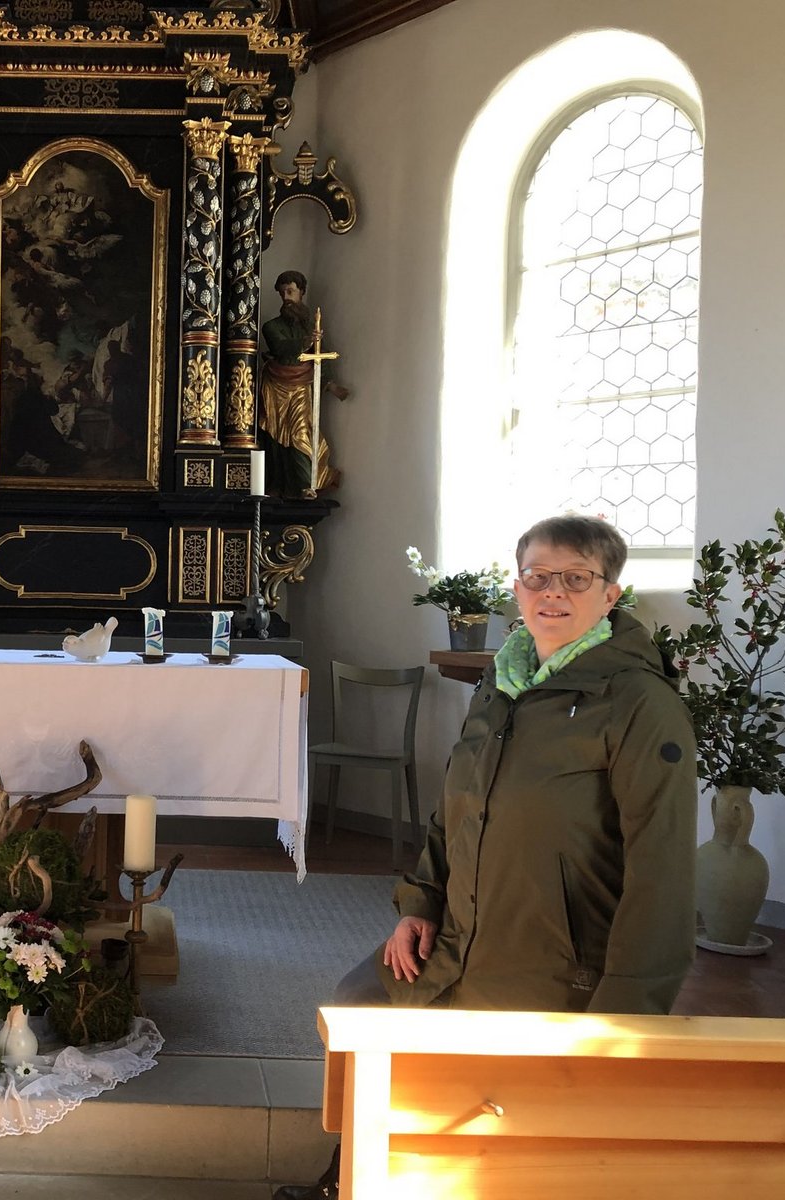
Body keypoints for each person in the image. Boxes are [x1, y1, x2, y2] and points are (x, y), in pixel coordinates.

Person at [274, 515, 697, 1200]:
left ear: (610, 595)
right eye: (538, 576)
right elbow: (457, 808)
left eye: (576, 578)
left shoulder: (638, 703)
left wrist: (622, 1016)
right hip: (460, 937)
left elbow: (663, 872)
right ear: (517, 587)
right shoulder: (502, 682)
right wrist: (419, 904)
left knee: (474, 1091)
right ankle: (350, 1180)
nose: (553, 592)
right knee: (358, 1006)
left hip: (557, 960)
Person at [259, 269, 345, 498]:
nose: (286, 297)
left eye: (290, 291)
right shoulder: (271, 326)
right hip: (275, 386)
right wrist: (306, 342)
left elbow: (320, 357)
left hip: (301, 387)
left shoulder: (310, 327)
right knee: (276, 436)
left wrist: (330, 385)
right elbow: (280, 347)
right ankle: (279, 484)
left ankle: (305, 484)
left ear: (302, 292)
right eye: (282, 293)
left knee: (300, 432)